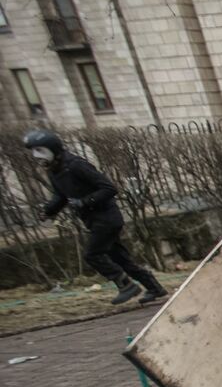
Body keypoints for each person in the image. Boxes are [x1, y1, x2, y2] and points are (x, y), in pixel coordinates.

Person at [25, 130, 167, 305]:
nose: (36, 156)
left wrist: (84, 202)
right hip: (93, 220)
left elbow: (109, 188)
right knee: (119, 258)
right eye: (33, 152)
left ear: (53, 149)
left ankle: (126, 286)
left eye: (40, 150)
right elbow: (60, 196)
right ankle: (155, 288)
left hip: (107, 218)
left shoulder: (76, 165)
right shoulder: (54, 171)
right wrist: (48, 211)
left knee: (93, 254)